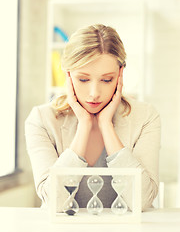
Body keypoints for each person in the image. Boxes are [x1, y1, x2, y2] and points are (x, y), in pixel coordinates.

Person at [25, 24, 161, 212]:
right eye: (83, 79)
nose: (94, 93)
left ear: (120, 74)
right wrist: (84, 126)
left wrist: (106, 125)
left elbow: (142, 201)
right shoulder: (42, 120)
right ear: (68, 75)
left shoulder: (145, 117)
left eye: (106, 80)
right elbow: (54, 203)